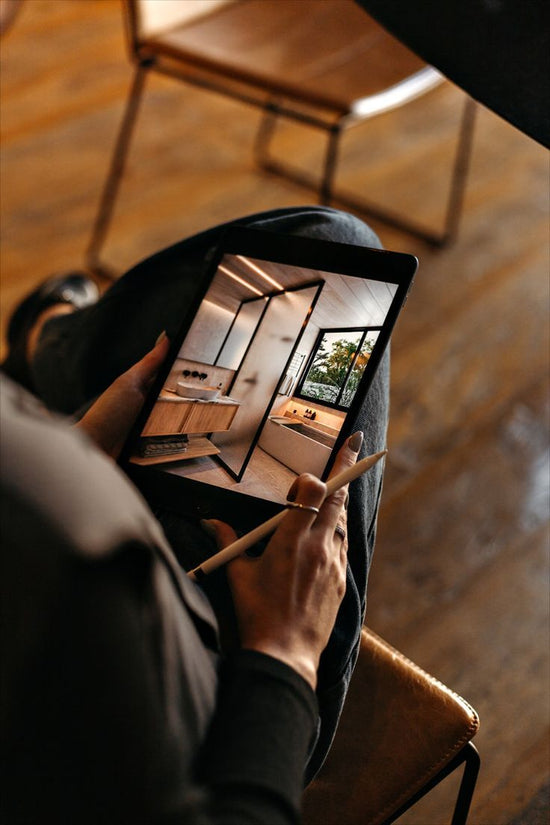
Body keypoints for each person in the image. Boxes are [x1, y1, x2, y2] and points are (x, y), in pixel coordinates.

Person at [1, 206, 389, 824]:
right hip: (230, 710)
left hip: (99, 525)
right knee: (344, 253)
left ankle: (49, 342)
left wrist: (79, 450)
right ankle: (50, 340)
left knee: (322, 251)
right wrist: (285, 652)